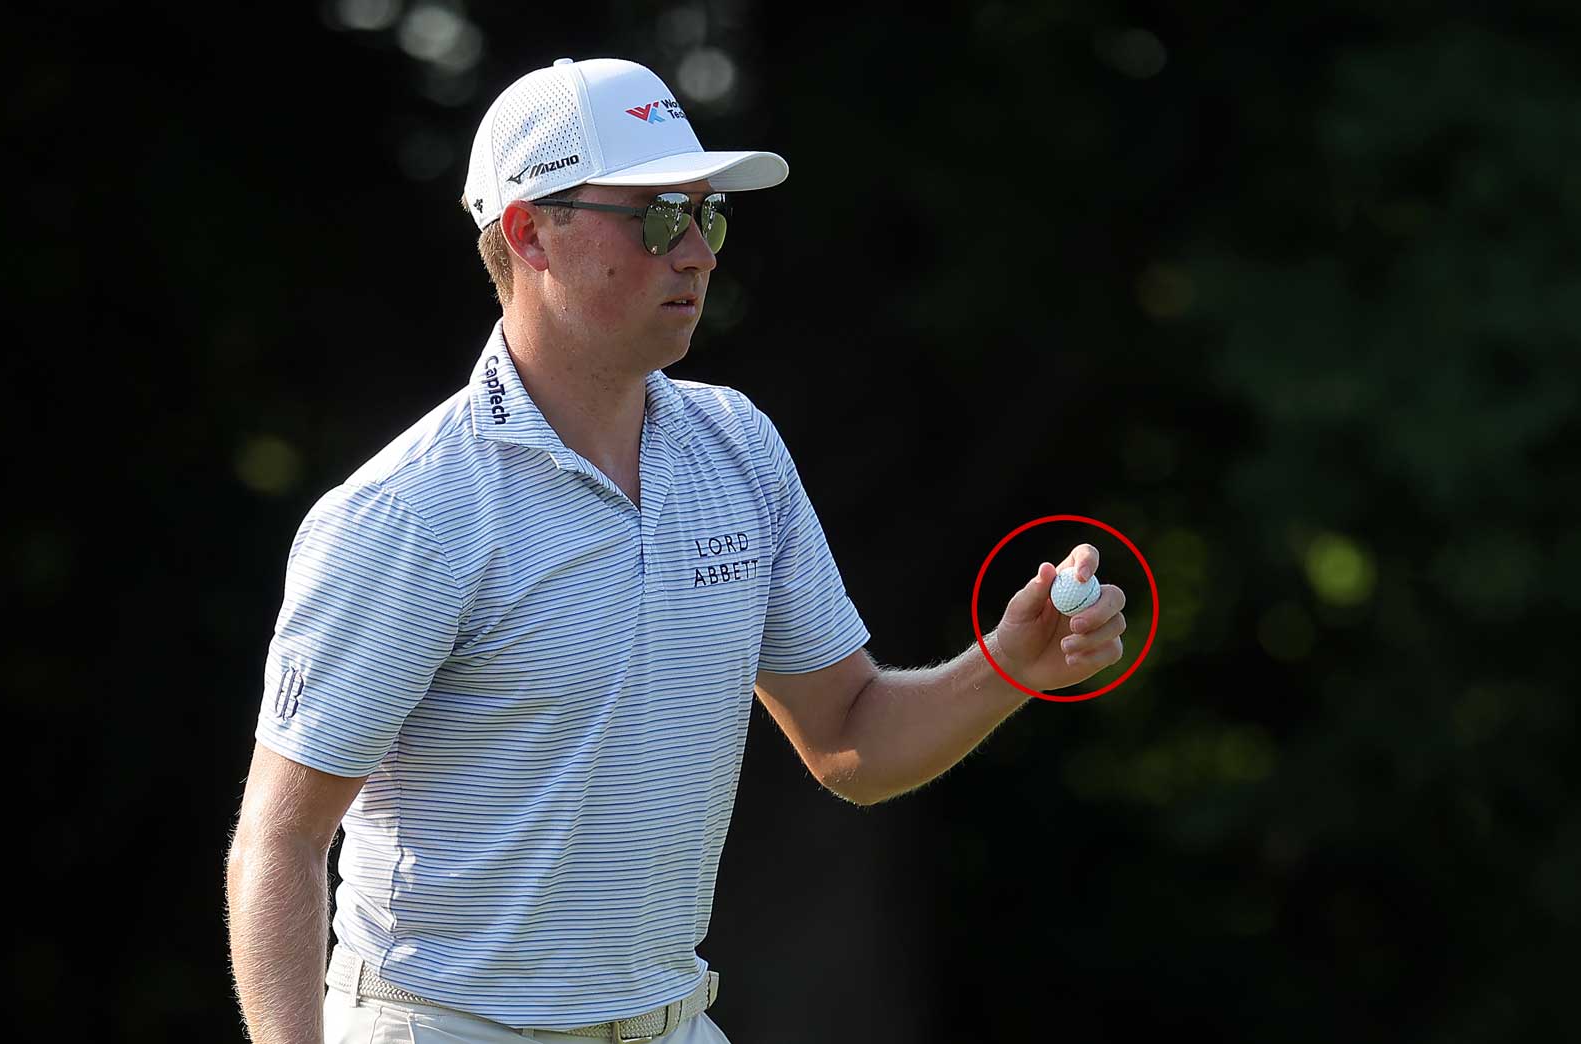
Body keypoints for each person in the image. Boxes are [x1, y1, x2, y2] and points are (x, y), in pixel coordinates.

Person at [224, 56, 1127, 1044]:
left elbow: (849, 741)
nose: (696, 253)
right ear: (529, 232)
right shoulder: (407, 513)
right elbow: (282, 836)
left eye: (708, 217)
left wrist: (1006, 666)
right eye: (658, 217)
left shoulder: (738, 448)